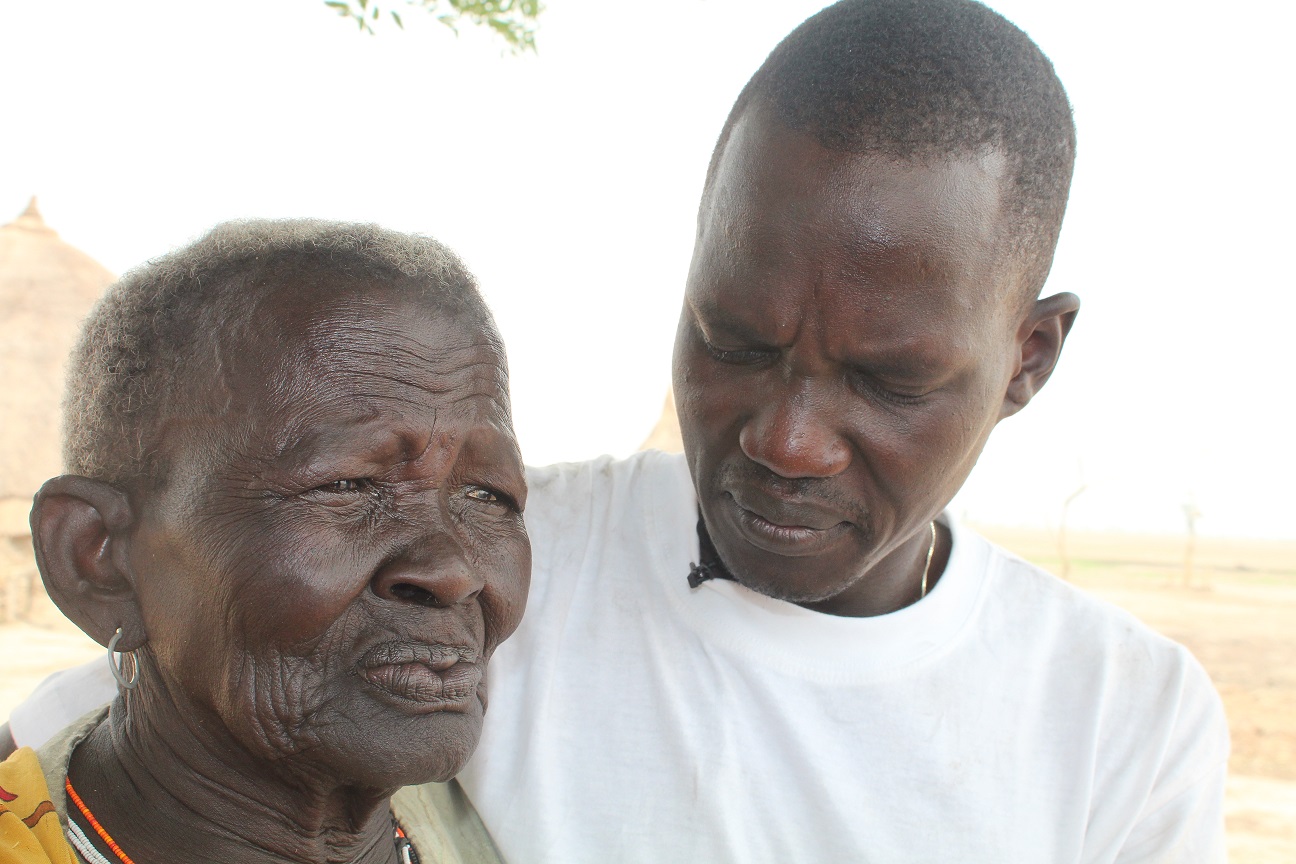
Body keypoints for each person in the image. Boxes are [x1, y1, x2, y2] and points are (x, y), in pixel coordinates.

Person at [10, 1, 1230, 861]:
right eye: (735, 341)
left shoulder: (1125, 723)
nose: (789, 438)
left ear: (1029, 357)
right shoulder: (494, 569)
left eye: (889, 380)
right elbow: (128, 728)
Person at [0, 220, 529, 864]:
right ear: (98, 558)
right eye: (349, 484)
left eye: (487, 495)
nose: (452, 571)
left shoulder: (512, 837)